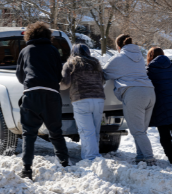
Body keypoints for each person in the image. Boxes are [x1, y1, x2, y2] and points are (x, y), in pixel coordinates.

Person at [16, 22, 70, 180]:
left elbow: (19, 75)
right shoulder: (53, 50)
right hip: (52, 94)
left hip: (31, 94)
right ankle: (65, 163)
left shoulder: (25, 51)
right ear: (47, 35)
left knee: (29, 133)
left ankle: (27, 169)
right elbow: (58, 75)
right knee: (56, 132)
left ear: (29, 35)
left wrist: (30, 83)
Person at [103, 34, 157, 165]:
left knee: (137, 131)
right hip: (150, 92)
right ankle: (140, 156)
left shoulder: (119, 57)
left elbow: (104, 74)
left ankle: (149, 158)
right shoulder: (139, 57)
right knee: (141, 130)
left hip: (134, 94)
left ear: (119, 46)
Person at [59, 43, 105, 161]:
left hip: (81, 100)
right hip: (99, 99)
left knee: (86, 132)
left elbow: (65, 84)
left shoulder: (70, 64)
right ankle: (92, 158)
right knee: (95, 132)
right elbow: (102, 80)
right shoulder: (96, 64)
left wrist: (56, 85)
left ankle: (91, 159)